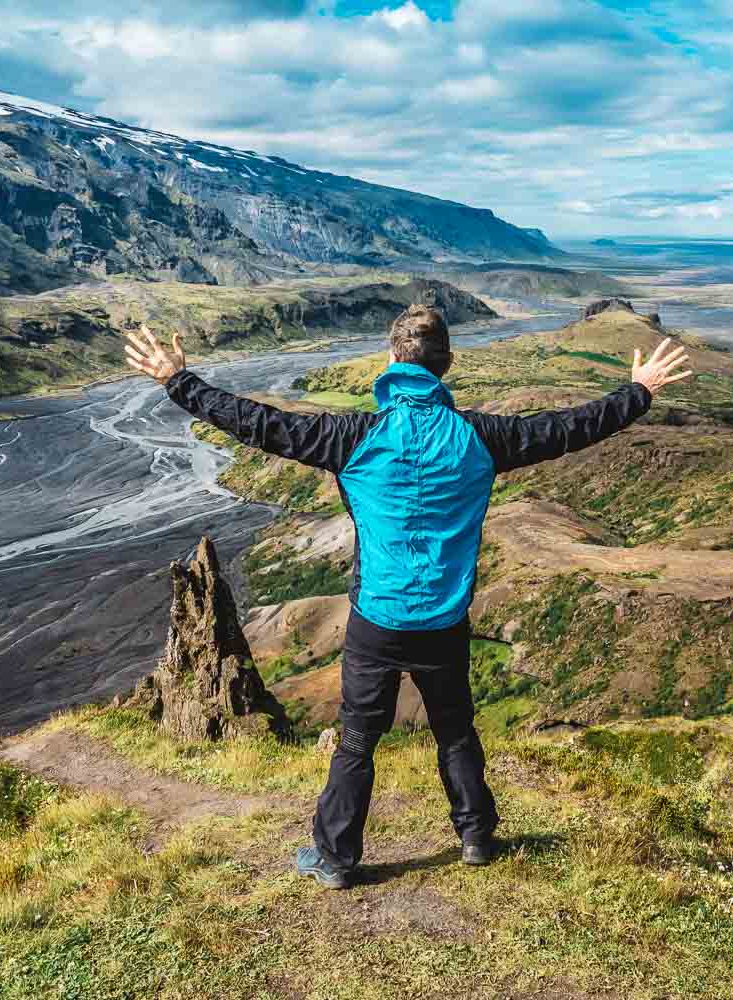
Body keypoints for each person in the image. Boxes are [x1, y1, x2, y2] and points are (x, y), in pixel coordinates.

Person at [125, 304, 691, 888]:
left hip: (378, 618)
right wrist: (638, 392)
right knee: (455, 728)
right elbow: (569, 427)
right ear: (445, 367)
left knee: (357, 739)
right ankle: (475, 836)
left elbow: (257, 423)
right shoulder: (483, 437)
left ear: (391, 360)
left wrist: (177, 380)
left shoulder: (353, 436)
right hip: (445, 619)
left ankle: (336, 858)